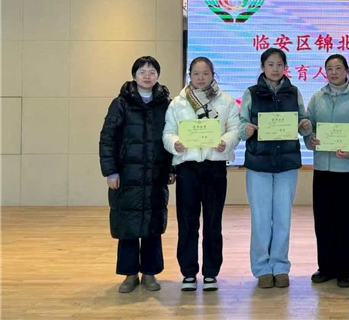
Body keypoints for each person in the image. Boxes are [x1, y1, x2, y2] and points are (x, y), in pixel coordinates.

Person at [163, 57, 240, 292]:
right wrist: (174, 143)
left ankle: (210, 272)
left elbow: (235, 129)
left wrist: (225, 142)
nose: (200, 78)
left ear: (213, 75)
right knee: (187, 222)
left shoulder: (226, 101)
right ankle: (188, 272)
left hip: (214, 168)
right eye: (196, 73)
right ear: (190, 75)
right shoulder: (178, 103)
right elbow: (168, 131)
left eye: (205, 73)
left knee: (213, 222)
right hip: (187, 169)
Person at [99, 56, 172, 294]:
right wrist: (110, 171)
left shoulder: (166, 104)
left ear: (158, 76)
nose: (147, 76)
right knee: (127, 225)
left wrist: (171, 169)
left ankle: (150, 273)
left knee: (152, 225)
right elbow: (107, 138)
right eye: (142, 71)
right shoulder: (120, 103)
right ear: (134, 75)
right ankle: (129, 274)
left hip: (155, 175)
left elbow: (173, 137)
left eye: (152, 72)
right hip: (127, 175)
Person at [239, 48, 311, 289]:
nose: (275, 68)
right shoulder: (251, 93)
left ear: (285, 67)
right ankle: (261, 268)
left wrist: (305, 125)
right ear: (262, 67)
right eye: (270, 64)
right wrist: (245, 130)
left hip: (287, 163)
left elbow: (303, 121)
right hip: (258, 163)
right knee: (260, 218)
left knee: (282, 217)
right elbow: (241, 124)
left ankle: (280, 266)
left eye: (279, 64)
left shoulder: (294, 92)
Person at [306, 54, 349, 288]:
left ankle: (344, 270)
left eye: (338, 68)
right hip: (322, 168)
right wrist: (310, 139)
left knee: (344, 219)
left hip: (348, 169)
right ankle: (325, 267)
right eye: (330, 68)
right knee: (323, 220)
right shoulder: (317, 98)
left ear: (347, 71)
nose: (334, 72)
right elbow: (309, 128)